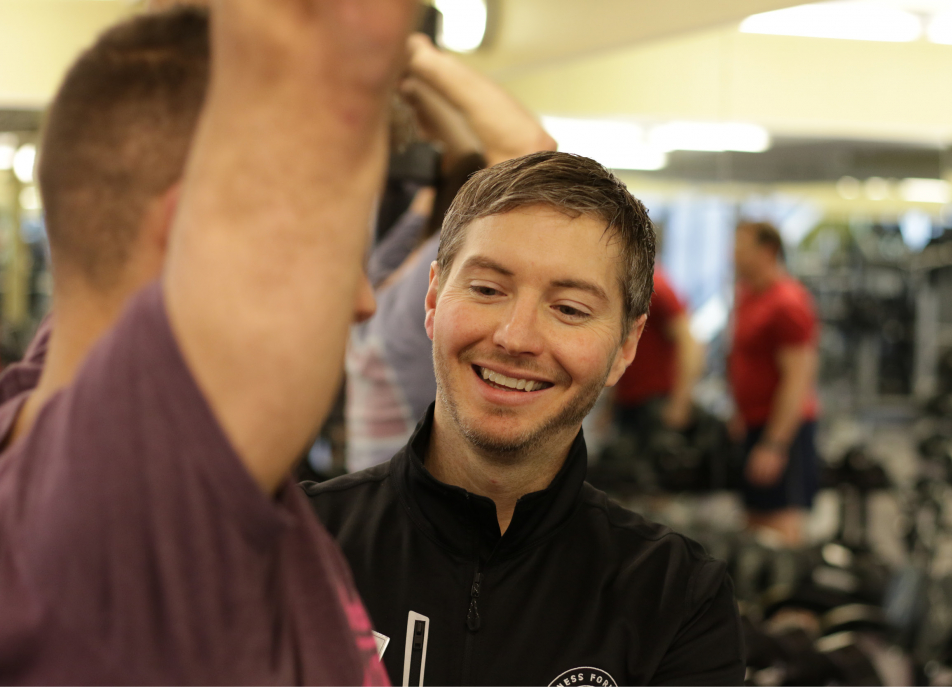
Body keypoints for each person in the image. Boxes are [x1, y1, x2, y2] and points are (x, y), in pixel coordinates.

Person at [0, 1, 415, 682]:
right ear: (190, 237)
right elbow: (341, 33)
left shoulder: (43, 423)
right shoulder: (124, 492)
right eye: (329, 249)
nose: (364, 300)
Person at [307, 151, 746, 686]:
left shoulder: (675, 598)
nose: (515, 337)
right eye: (487, 289)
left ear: (627, 344)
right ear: (432, 297)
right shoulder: (299, 549)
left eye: (569, 309)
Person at [345, 34, 556, 472]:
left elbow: (527, 153)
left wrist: (420, 56)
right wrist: (407, 83)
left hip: (410, 509)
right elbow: (459, 153)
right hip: (370, 499)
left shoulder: (430, 290)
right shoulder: (397, 266)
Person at [728, 221, 820, 548]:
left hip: (782, 431)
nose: (733, 254)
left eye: (741, 247)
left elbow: (798, 378)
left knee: (780, 530)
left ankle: (789, 599)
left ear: (767, 251)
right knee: (754, 522)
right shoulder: (747, 294)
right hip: (754, 425)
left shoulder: (789, 302)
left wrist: (775, 444)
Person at [612, 265, 704, 445]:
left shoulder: (656, 287)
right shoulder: (623, 286)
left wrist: (680, 403)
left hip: (655, 403)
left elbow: (690, 345)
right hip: (627, 402)